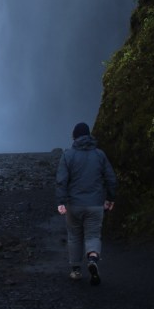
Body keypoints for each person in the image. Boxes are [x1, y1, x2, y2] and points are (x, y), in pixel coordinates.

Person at [55, 122, 117, 285]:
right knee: (93, 235)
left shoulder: (68, 155)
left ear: (74, 137)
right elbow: (111, 178)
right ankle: (92, 259)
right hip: (95, 204)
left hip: (74, 204)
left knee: (74, 236)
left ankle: (76, 270)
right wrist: (110, 199)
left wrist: (61, 201)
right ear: (89, 136)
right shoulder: (100, 155)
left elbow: (61, 181)